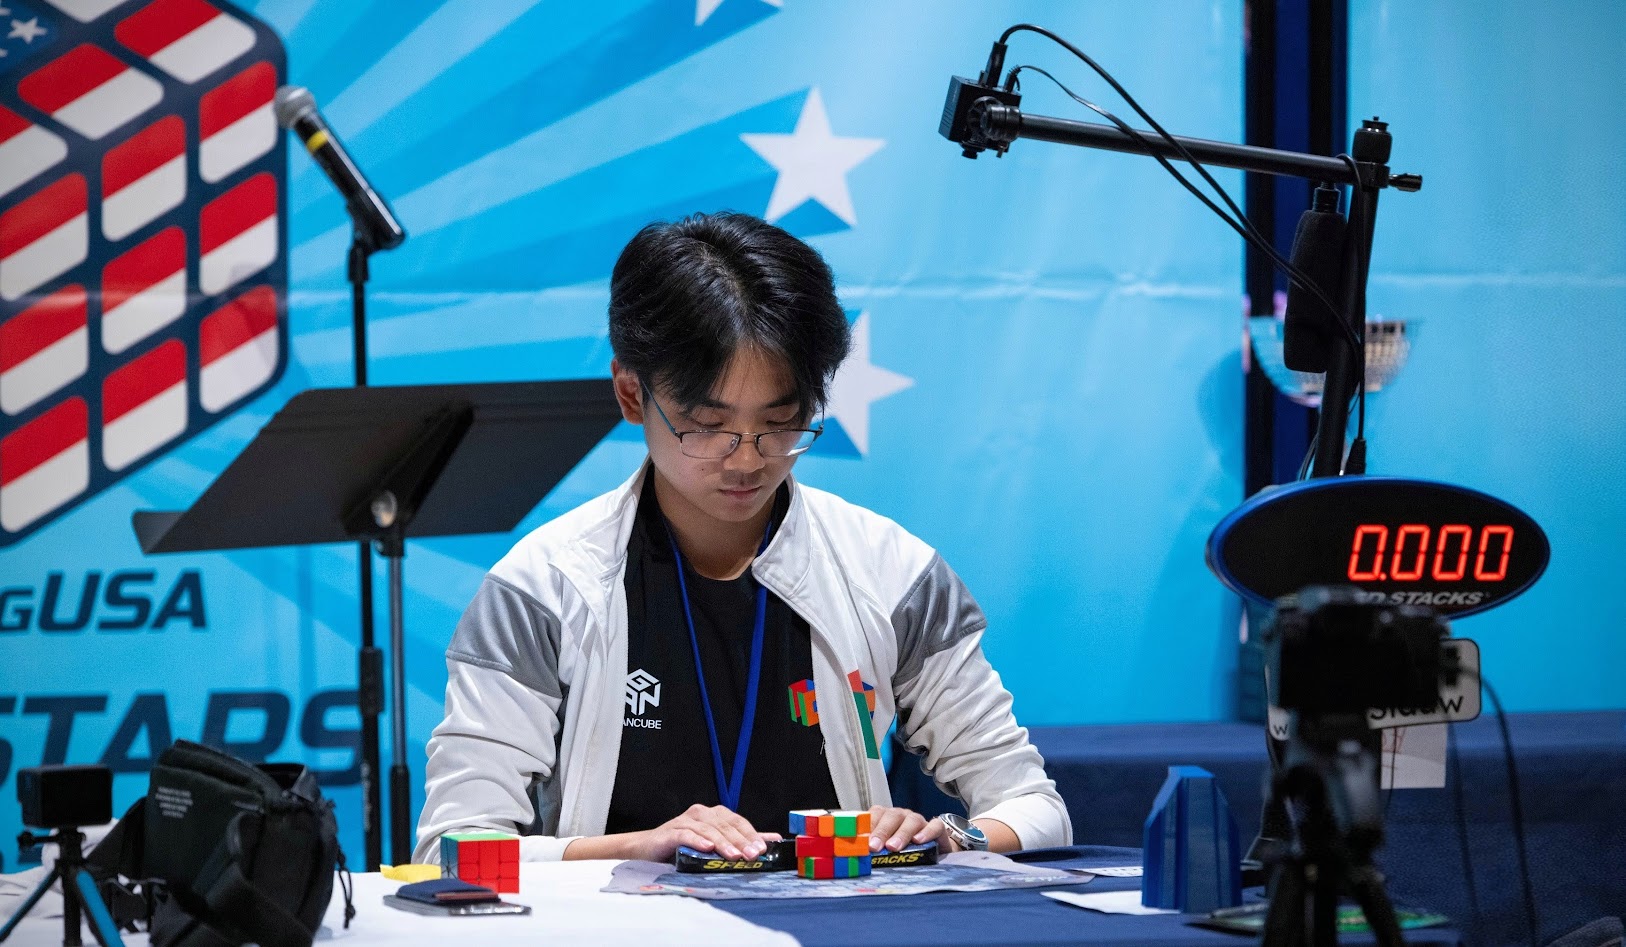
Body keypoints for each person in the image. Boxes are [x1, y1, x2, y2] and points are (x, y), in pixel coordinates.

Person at [414, 212, 1069, 864]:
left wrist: (950, 837)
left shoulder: (893, 572)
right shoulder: (541, 588)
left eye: (782, 422)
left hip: (841, 916)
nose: (749, 459)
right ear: (630, 394)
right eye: (708, 425)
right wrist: (637, 848)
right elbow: (454, 848)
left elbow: (1037, 808)